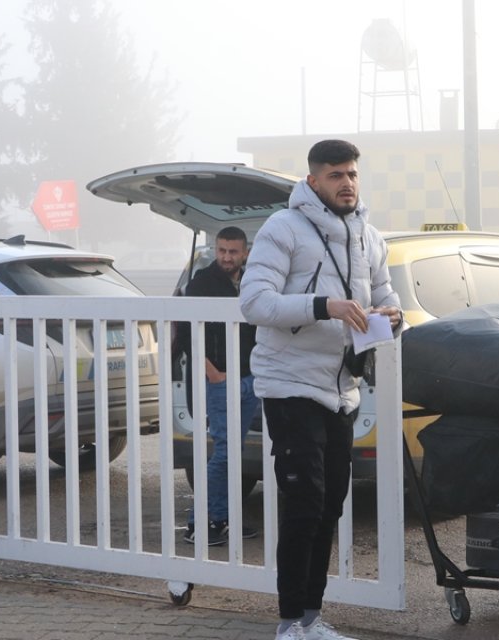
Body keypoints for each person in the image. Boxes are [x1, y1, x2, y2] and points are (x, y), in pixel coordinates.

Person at [240, 139, 403, 640]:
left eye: (351, 173)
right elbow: (255, 302)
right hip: (290, 386)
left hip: (342, 391)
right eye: (335, 175)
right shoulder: (282, 228)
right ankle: (289, 623)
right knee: (304, 503)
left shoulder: (369, 237)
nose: (347, 182)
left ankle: (312, 618)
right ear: (313, 181)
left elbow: (385, 296)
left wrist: (392, 316)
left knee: (331, 504)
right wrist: (324, 306)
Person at [180, 225, 261, 543]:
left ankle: (221, 520)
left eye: (233, 252)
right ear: (215, 249)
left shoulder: (252, 281)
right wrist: (211, 372)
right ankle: (197, 523)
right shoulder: (202, 283)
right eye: (222, 250)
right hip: (219, 381)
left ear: (245, 253)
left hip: (249, 380)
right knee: (225, 453)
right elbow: (188, 333)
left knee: (233, 454)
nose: (226, 257)